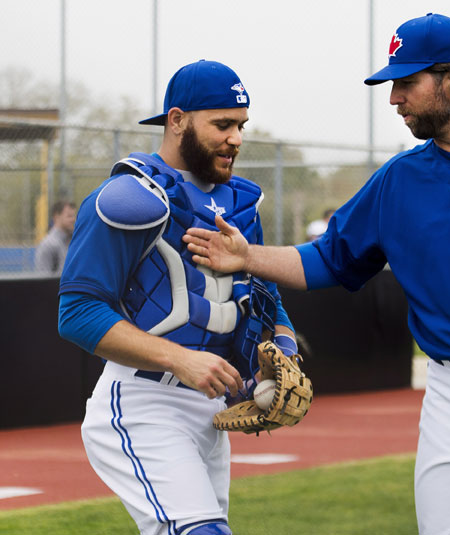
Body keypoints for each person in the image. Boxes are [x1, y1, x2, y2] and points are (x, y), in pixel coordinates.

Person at [183, 14, 450, 535]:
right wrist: (247, 256)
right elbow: (328, 259)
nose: (394, 98)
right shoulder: (399, 179)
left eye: (407, 82)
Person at [58, 60, 297, 535]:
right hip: (145, 399)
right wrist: (180, 359)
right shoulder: (129, 196)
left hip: (213, 412)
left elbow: (264, 295)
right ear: (177, 119)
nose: (237, 139)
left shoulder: (241, 204)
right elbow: (77, 312)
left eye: (241, 125)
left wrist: (284, 347)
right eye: (223, 124)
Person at [34, 200, 76, 274]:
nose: (73, 219)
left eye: (74, 216)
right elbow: (43, 278)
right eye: (69, 216)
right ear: (56, 217)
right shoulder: (48, 244)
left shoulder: (73, 240)